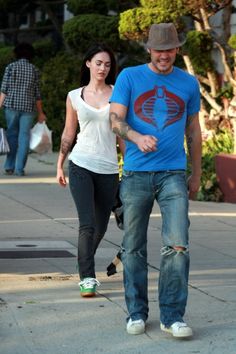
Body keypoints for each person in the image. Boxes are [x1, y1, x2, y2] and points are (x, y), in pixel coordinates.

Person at [109, 23, 202, 337]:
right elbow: (115, 120)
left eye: (170, 49)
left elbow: (194, 131)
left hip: (173, 174)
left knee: (178, 245)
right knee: (133, 247)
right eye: (159, 49)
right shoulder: (129, 77)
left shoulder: (188, 83)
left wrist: (197, 174)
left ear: (177, 49)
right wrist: (136, 136)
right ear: (149, 49)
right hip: (135, 174)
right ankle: (136, 312)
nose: (164, 55)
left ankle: (173, 316)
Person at [57, 43, 122, 297]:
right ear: (88, 64)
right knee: (87, 225)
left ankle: (84, 260)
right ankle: (87, 277)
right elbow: (69, 132)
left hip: (108, 168)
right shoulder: (74, 96)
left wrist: (129, 168)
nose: (102, 68)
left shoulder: (118, 93)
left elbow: (122, 136)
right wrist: (60, 163)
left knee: (101, 227)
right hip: (81, 164)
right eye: (98, 63)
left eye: (107, 64)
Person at [0, 42, 46, 176]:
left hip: (12, 106)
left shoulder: (11, 67)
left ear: (16, 53)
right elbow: (37, 94)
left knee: (12, 136)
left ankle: (9, 166)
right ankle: (20, 169)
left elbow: (4, 89)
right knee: (24, 137)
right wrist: (41, 113)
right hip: (28, 108)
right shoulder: (34, 70)